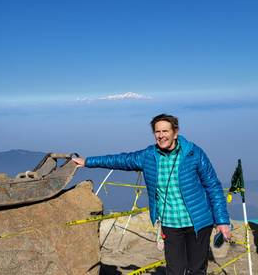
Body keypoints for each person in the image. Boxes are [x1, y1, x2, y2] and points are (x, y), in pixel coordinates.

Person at [73, 113, 231, 275]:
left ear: (175, 133)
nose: (161, 136)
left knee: (196, 270)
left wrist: (222, 221)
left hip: (198, 223)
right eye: (157, 132)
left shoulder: (194, 153)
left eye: (165, 131)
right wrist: (87, 162)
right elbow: (120, 160)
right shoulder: (148, 156)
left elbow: (213, 186)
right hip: (170, 224)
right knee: (175, 271)